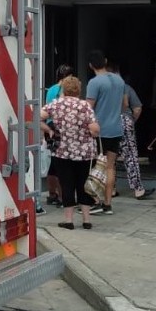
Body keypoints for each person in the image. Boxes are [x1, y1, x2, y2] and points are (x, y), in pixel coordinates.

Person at [41, 76, 100, 230]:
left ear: (63, 89)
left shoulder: (55, 104)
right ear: (79, 90)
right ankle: (86, 220)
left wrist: (49, 130)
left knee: (67, 185)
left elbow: (37, 117)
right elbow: (94, 130)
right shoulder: (85, 106)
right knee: (83, 185)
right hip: (85, 154)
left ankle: (69, 220)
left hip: (63, 152)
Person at [86, 49, 126, 215]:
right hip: (116, 128)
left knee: (95, 166)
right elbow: (124, 104)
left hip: (99, 130)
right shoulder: (119, 80)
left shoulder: (94, 83)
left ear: (90, 65)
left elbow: (88, 108)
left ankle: (95, 200)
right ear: (106, 61)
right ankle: (108, 204)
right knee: (110, 167)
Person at [107, 61, 155, 200]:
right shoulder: (125, 87)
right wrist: (131, 121)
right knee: (131, 157)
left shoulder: (100, 87)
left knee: (110, 158)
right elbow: (137, 108)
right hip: (123, 121)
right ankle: (138, 189)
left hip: (106, 124)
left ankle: (111, 189)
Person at [43, 64, 75, 207]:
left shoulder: (50, 90)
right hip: (60, 127)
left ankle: (52, 194)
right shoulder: (64, 90)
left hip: (49, 126)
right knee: (63, 164)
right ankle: (63, 197)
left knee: (54, 163)